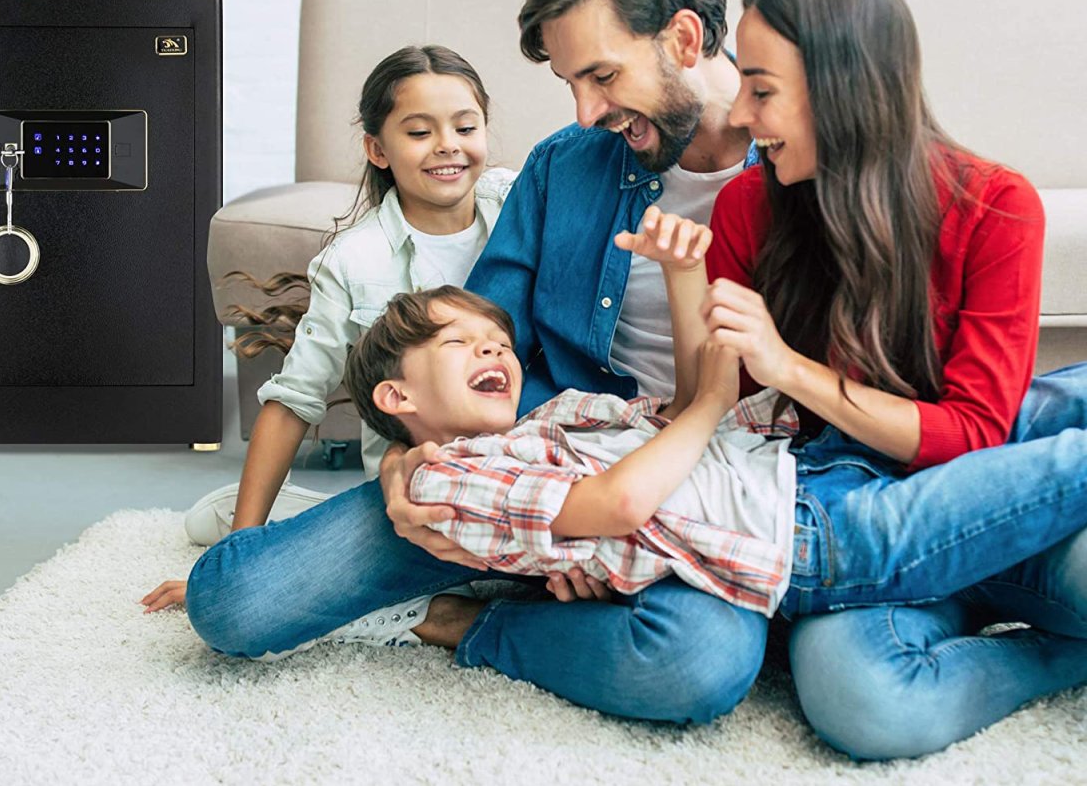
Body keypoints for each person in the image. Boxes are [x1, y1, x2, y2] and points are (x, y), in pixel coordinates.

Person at [178, 0, 774, 726]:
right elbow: (476, 333)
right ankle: (523, 600)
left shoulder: (799, 170)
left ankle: (480, 622)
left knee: (694, 667)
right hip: (526, 475)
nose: (587, 111)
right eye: (571, 83)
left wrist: (610, 532)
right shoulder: (565, 163)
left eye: (601, 76)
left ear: (683, 37)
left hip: (700, 484)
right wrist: (405, 460)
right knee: (235, 601)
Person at [704, 0, 1086, 759]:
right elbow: (730, 430)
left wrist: (791, 367)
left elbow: (980, 430)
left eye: (762, 90)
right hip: (858, 511)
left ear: (844, 89)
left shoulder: (994, 205)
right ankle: (1061, 655)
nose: (739, 114)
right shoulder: (747, 207)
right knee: (864, 702)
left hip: (990, 478)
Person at [342, 252, 1087, 628]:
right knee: (1063, 470)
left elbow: (688, 412)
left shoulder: (552, 420)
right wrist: (714, 401)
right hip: (806, 543)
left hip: (808, 464)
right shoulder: (439, 480)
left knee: (1053, 409)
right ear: (396, 397)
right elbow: (622, 501)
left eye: (497, 342)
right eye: (459, 343)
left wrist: (692, 285)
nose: (493, 353)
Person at [141, 44, 514, 613]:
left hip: (520, 468)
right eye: (418, 133)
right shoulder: (355, 261)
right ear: (377, 149)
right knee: (239, 568)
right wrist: (243, 548)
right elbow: (293, 401)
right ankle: (243, 515)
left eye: (466, 126)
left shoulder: (519, 206)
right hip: (411, 487)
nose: (448, 146)